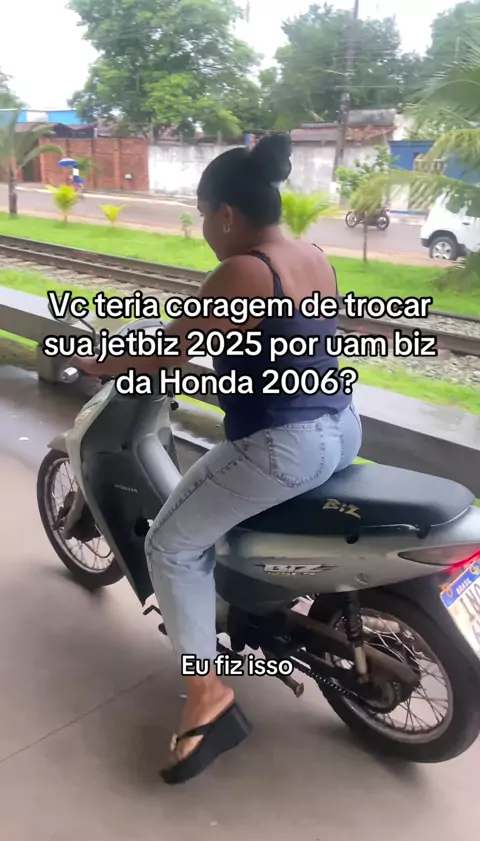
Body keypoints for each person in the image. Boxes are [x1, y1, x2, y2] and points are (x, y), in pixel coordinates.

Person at [72, 133, 362, 785]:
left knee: (171, 545)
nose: (204, 229)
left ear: (225, 214)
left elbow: (166, 352)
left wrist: (99, 362)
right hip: (341, 426)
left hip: (283, 444)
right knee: (218, 513)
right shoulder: (311, 255)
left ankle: (209, 696)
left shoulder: (244, 270)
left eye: (203, 215)